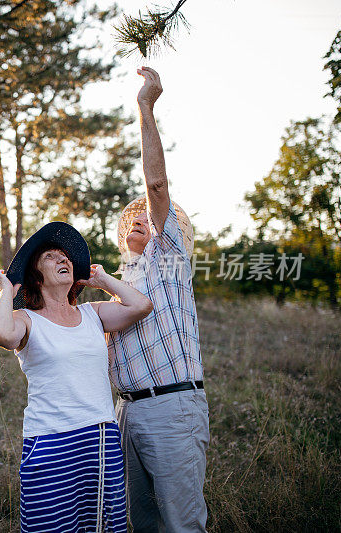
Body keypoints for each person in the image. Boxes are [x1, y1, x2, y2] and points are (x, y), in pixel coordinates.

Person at [0, 221, 153, 533]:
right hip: (50, 441)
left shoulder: (94, 314)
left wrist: (102, 280)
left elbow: (141, 305)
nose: (63, 259)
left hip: (100, 439)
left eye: (65, 257)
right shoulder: (26, 319)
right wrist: (7, 292)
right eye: (51, 256)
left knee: (102, 527)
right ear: (35, 275)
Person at [107, 66, 210, 533]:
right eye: (133, 221)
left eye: (147, 220)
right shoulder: (118, 278)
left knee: (181, 526)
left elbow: (155, 187)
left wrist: (145, 108)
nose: (139, 224)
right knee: (140, 526)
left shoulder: (167, 260)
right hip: (126, 411)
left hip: (172, 408)